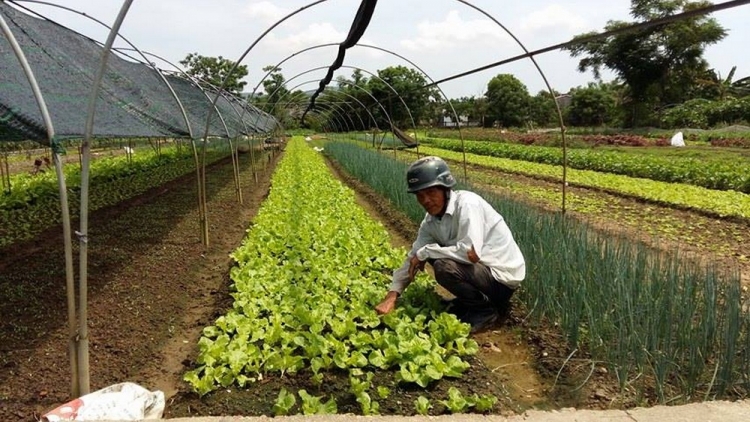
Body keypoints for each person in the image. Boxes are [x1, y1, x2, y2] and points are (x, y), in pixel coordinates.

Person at [374, 156, 525, 333]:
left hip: (501, 281)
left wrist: (426, 253)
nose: (426, 200)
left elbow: (471, 253)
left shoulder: (468, 204)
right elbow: (413, 256)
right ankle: (466, 302)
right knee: (428, 255)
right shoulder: (430, 221)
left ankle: (484, 311)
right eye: (420, 196)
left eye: (431, 193)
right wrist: (392, 296)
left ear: (446, 189)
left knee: (443, 265)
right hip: (480, 273)